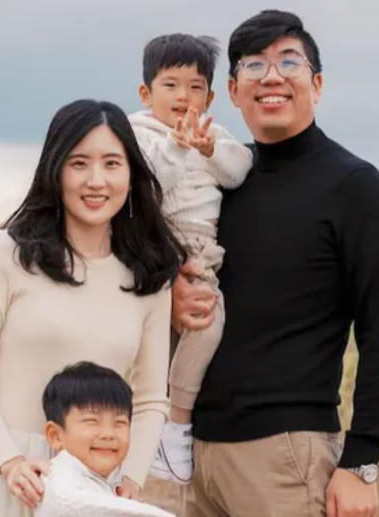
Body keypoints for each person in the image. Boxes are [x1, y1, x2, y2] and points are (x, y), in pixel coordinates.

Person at [172, 10, 379, 517]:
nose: (271, 77)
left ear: (316, 83)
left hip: (284, 456)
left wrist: (362, 459)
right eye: (253, 66)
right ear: (232, 91)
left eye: (288, 61)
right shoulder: (216, 181)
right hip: (191, 454)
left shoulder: (353, 186)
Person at [0, 99, 185, 516]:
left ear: (131, 175)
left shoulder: (149, 275)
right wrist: (10, 462)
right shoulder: (7, 254)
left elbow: (150, 399)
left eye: (112, 164)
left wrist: (129, 481)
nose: (97, 180)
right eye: (79, 164)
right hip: (14, 477)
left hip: (99, 487)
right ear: (55, 171)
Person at [128, 33, 252, 483]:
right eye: (171, 85)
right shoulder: (138, 134)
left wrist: (207, 147)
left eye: (195, 86)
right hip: (163, 249)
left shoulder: (213, 134)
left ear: (211, 95)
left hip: (205, 253)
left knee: (201, 329)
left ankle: (170, 423)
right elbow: (150, 183)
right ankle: (171, 422)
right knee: (187, 330)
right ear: (146, 94)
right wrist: (180, 146)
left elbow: (239, 172)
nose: (184, 96)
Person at [34, 362, 174, 517]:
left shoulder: (103, 481)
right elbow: (77, 503)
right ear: (55, 435)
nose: (108, 434)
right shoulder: (60, 481)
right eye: (91, 421)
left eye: (119, 423)